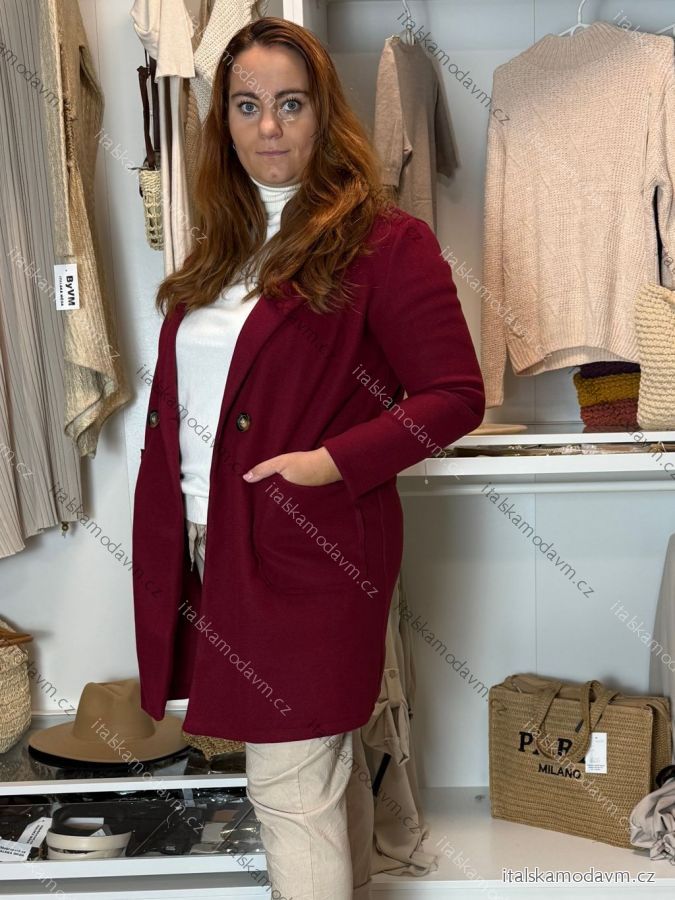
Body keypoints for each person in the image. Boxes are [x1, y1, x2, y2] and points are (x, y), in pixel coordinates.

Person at [132, 15, 485, 900]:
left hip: (309, 546)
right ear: (223, 122)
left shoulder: (384, 242)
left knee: (289, 783)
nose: (268, 127)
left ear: (324, 114)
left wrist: (328, 462)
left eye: (290, 104)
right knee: (322, 768)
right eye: (246, 105)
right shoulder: (219, 245)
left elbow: (453, 395)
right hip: (208, 543)